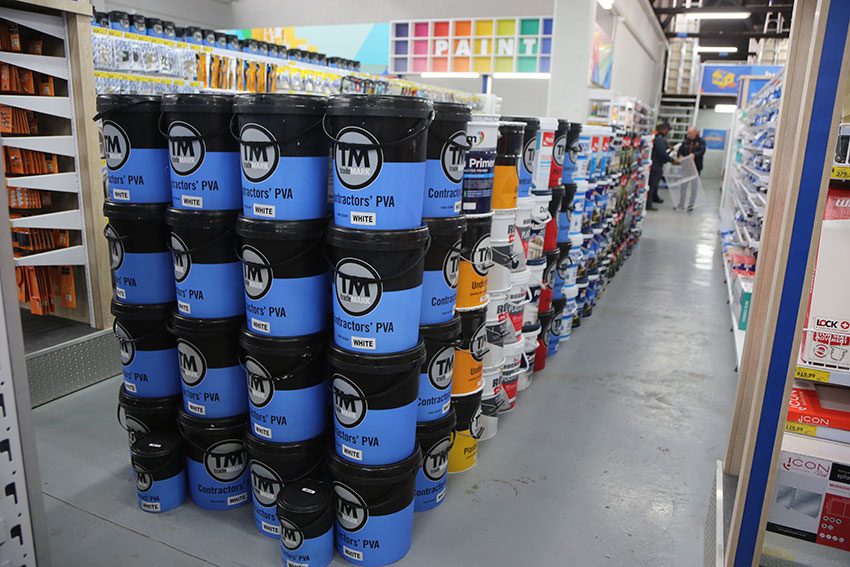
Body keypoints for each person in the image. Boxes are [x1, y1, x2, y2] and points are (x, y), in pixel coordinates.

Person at [647, 123, 679, 211]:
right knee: (652, 185)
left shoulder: (657, 137)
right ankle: (648, 204)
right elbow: (662, 154)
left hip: (655, 164)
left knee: (654, 184)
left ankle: (653, 198)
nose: (667, 132)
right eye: (667, 130)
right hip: (655, 165)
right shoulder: (659, 139)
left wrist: (668, 147)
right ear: (663, 129)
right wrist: (673, 161)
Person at [675, 127, 706, 211]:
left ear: (696, 132)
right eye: (689, 133)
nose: (690, 135)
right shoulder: (686, 141)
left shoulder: (701, 141)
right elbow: (680, 151)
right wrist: (680, 156)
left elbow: (702, 151)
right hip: (686, 167)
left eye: (691, 133)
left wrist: (695, 155)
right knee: (683, 187)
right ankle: (681, 204)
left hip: (696, 167)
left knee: (694, 187)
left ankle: (691, 205)